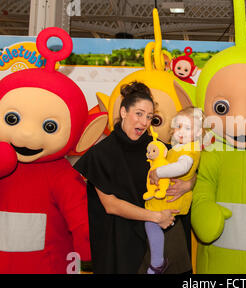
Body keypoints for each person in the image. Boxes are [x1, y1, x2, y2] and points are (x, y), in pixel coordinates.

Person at [74, 82, 193, 274]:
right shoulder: (101, 154)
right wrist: (156, 217)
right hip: (121, 244)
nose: (144, 122)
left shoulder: (158, 148)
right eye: (139, 114)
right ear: (123, 112)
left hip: (159, 242)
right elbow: (111, 204)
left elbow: (189, 170)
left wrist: (187, 185)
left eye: (149, 117)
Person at [144, 107, 203, 274]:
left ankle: (157, 263)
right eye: (178, 127)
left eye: (188, 128)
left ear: (197, 132)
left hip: (173, 200)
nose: (181, 132)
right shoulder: (176, 148)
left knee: (151, 222)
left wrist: (158, 172)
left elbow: (182, 167)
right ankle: (157, 262)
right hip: (166, 197)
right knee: (151, 223)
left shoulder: (189, 150)